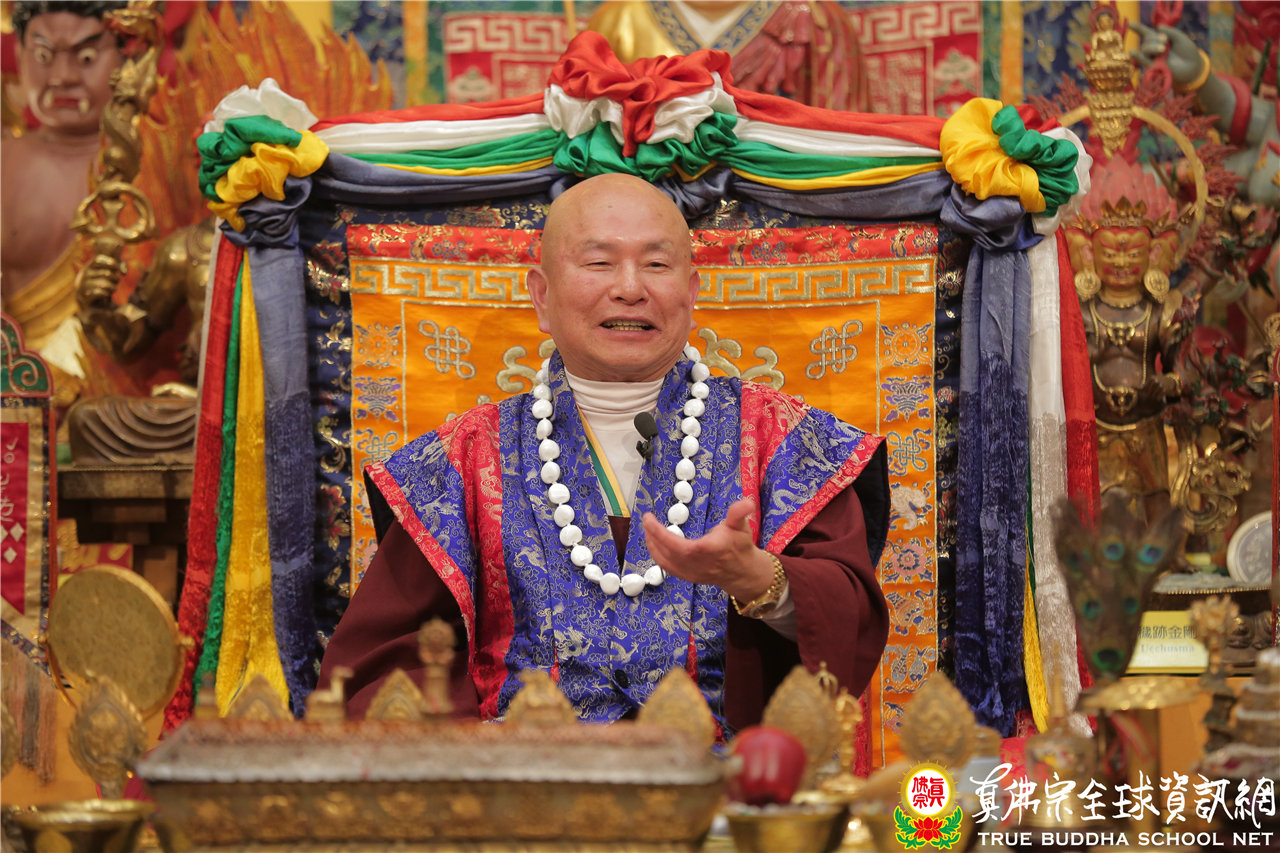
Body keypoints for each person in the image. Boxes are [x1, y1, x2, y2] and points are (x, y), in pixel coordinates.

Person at [318, 173, 889, 735]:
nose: (630, 288)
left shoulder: (783, 440)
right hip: (523, 779)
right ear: (542, 295)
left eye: (657, 264)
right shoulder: (462, 460)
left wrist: (759, 578)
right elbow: (385, 672)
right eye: (599, 263)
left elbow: (852, 623)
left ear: (692, 293)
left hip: (725, 777)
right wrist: (478, 761)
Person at [2, 2, 123, 395]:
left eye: (86, 57)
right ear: (18, 53)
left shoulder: (155, 163)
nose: (62, 77)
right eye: (43, 56)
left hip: (114, 387)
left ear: (127, 57)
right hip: (13, 390)